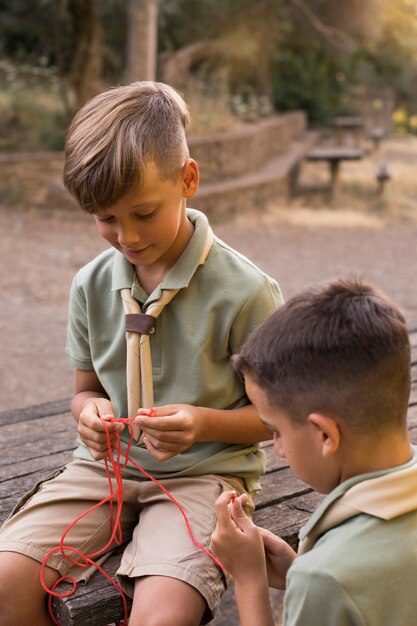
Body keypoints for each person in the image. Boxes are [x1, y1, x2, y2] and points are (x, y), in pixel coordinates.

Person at [0, 81, 282, 626]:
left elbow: (274, 419)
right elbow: (86, 391)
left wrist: (200, 423)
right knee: (7, 584)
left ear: (188, 180)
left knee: (162, 616)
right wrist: (90, 416)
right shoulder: (90, 284)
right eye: (106, 218)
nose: (126, 236)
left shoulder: (248, 293)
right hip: (102, 470)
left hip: (207, 477)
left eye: (144, 213)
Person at [212, 277, 417, 626]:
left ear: (324, 435)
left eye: (275, 431)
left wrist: (250, 581)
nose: (276, 450)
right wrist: (299, 569)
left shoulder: (328, 577)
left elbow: (342, 582)